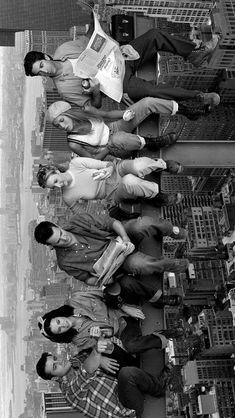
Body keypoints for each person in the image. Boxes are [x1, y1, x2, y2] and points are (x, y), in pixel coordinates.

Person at [24, 27, 221, 113]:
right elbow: (94, 106)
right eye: (39, 73)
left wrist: (114, 43)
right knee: (151, 92)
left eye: (41, 66)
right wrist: (94, 91)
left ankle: (194, 54)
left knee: (154, 35)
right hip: (118, 83)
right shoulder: (63, 89)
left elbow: (93, 41)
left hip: (120, 58)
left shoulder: (63, 50)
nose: (44, 72)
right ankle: (199, 97)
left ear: (46, 57)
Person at [34, 210, 189, 283]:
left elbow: (111, 223)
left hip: (120, 237)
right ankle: (176, 265)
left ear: (57, 226)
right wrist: (101, 280)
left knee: (144, 224)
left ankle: (172, 231)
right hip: (119, 264)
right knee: (142, 264)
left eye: (61, 233)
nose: (64, 238)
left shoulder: (77, 220)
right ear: (51, 246)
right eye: (58, 241)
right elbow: (86, 279)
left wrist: (125, 238)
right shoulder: (65, 262)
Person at [36, 347, 174, 418]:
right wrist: (97, 354)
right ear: (55, 378)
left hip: (124, 391)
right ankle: (159, 387)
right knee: (126, 374)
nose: (59, 361)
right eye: (55, 367)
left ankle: (139, 361)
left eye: (55, 358)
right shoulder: (70, 392)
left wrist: (100, 356)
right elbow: (87, 370)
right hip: (127, 411)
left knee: (111, 350)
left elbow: (87, 353)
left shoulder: (74, 362)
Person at [38, 290, 184, 356]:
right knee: (131, 346)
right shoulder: (78, 341)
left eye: (58, 321)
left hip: (122, 304)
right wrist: (99, 339)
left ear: (57, 315)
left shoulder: (76, 299)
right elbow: (105, 345)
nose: (62, 325)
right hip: (123, 327)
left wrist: (124, 306)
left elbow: (104, 294)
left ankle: (162, 299)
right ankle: (164, 335)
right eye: (59, 330)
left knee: (126, 283)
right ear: (60, 335)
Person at [46, 98, 179, 160]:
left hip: (114, 127)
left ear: (69, 113)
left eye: (62, 120)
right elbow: (94, 160)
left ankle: (182, 108)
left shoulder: (86, 110)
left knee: (146, 103)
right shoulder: (73, 143)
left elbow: (107, 115)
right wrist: (108, 148)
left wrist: (124, 114)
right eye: (58, 126)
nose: (62, 126)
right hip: (113, 148)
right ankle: (154, 143)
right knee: (117, 139)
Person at [36, 156, 184, 208]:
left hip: (116, 170)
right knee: (129, 182)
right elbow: (84, 217)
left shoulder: (76, 164)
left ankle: (161, 166)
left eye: (55, 180)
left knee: (138, 166)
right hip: (112, 192)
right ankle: (158, 197)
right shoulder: (68, 197)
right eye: (53, 187)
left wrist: (108, 169)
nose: (58, 185)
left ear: (56, 171)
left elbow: (107, 165)